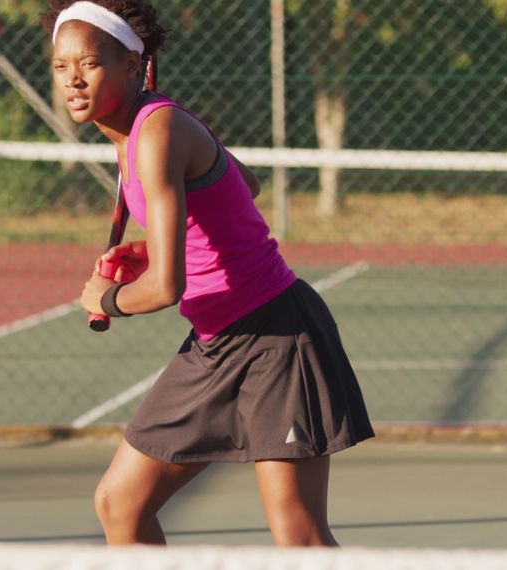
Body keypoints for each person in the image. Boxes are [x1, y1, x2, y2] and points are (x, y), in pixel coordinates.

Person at [42, 0, 375, 547]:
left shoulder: (156, 132)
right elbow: (244, 185)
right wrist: (155, 250)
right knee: (120, 503)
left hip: (276, 337)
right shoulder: (139, 132)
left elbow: (165, 290)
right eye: (61, 66)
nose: (73, 79)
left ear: (134, 64)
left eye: (90, 63)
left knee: (300, 536)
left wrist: (107, 298)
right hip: (216, 340)